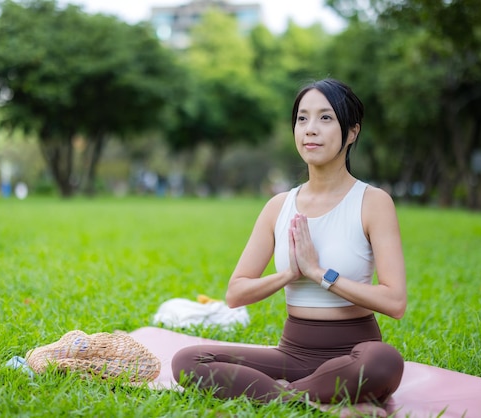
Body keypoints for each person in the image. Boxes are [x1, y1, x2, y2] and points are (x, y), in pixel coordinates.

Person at [171, 78, 406, 416]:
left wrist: (319, 273)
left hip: (356, 353)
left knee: (384, 362)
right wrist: (290, 274)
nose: (310, 129)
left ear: (352, 131)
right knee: (189, 360)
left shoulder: (372, 202)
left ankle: (285, 396)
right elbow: (236, 293)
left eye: (325, 118)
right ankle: (320, 404)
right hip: (292, 355)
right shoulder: (279, 206)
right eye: (302, 118)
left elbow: (395, 302)